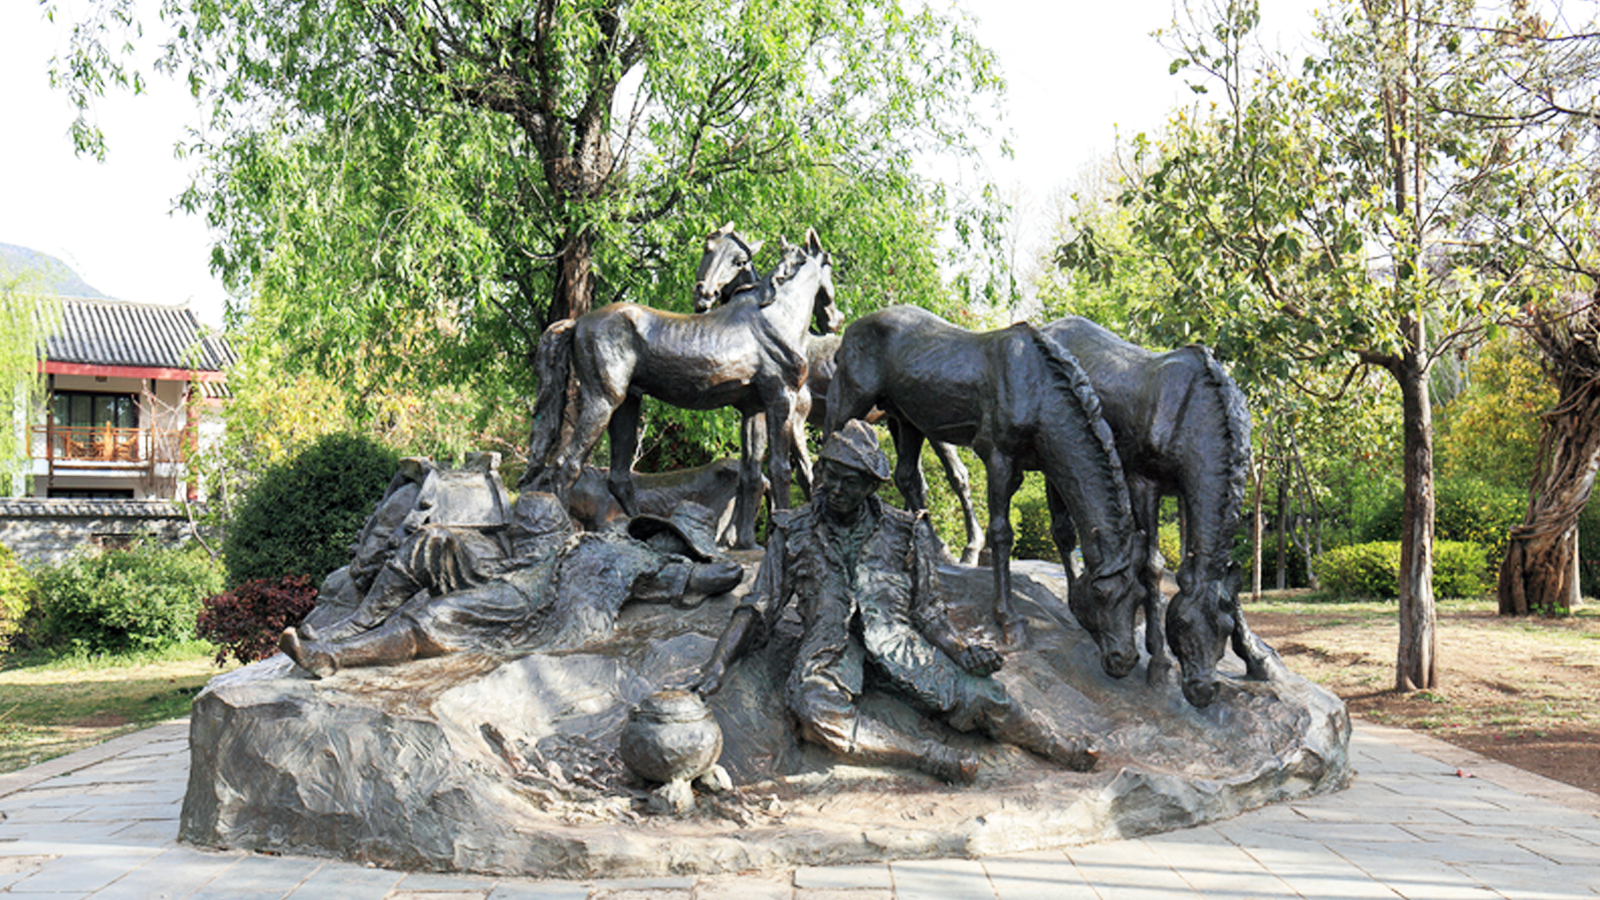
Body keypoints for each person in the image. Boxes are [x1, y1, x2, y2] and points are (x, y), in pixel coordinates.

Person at [693, 420, 1097, 783]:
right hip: (831, 649)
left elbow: (930, 612)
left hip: (898, 643)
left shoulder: (907, 531)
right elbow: (760, 605)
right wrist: (717, 664)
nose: (834, 489)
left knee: (984, 695)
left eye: (848, 482)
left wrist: (962, 651)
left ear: (871, 486)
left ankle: (1059, 745)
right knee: (814, 709)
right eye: (829, 476)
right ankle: (930, 758)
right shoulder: (792, 530)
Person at [280, 490, 744, 677]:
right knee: (431, 543)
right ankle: (353, 625)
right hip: (521, 561)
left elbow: (727, 575)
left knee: (433, 616)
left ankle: (330, 658)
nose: (661, 535)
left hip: (527, 599)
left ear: (680, 544)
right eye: (663, 529)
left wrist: (705, 556)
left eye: (673, 536)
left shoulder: (649, 568)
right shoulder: (617, 538)